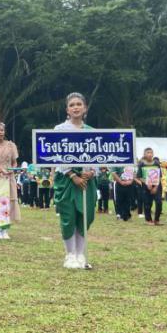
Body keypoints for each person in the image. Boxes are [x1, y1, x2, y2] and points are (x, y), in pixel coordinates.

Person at [53, 93, 96, 270]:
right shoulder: (59, 129)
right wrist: (72, 175)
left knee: (85, 216)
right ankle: (70, 254)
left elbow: (98, 156)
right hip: (66, 180)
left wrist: (92, 171)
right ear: (67, 110)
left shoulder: (92, 131)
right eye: (72, 105)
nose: (76, 107)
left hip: (87, 181)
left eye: (79, 104)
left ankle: (80, 254)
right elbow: (56, 155)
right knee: (68, 216)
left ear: (85, 108)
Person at [136, 148, 163, 226]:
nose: (150, 154)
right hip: (146, 186)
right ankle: (148, 220)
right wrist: (147, 183)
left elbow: (159, 176)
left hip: (157, 185)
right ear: (144, 154)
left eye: (151, 152)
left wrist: (156, 187)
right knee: (147, 204)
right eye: (148, 152)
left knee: (159, 202)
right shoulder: (141, 164)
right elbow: (139, 177)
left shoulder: (156, 163)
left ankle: (157, 220)